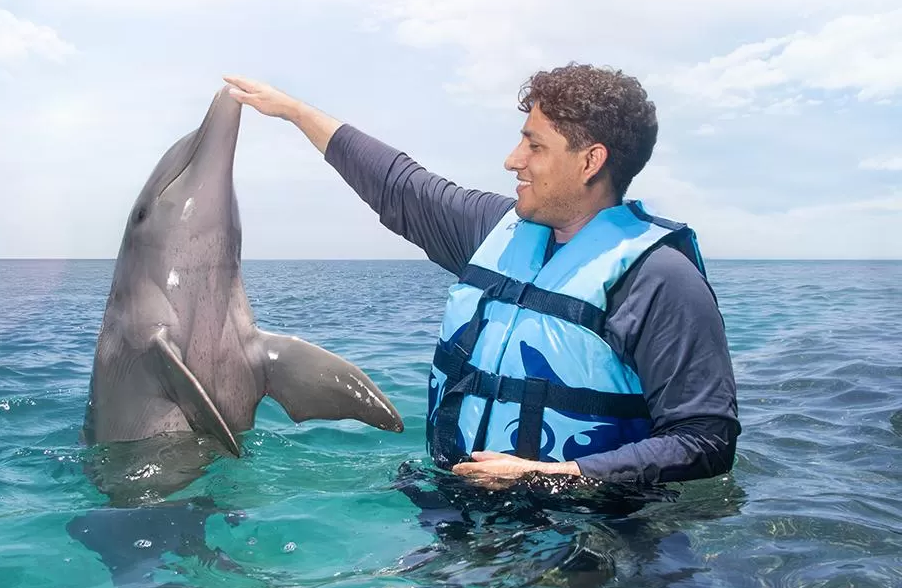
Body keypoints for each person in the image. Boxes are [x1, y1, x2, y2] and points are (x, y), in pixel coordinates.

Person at [223, 64, 739, 487]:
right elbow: (400, 186)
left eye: (534, 146)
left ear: (590, 161)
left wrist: (556, 476)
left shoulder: (659, 278)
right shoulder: (497, 230)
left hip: (586, 540)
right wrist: (293, 111)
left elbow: (705, 439)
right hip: (459, 514)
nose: (512, 160)